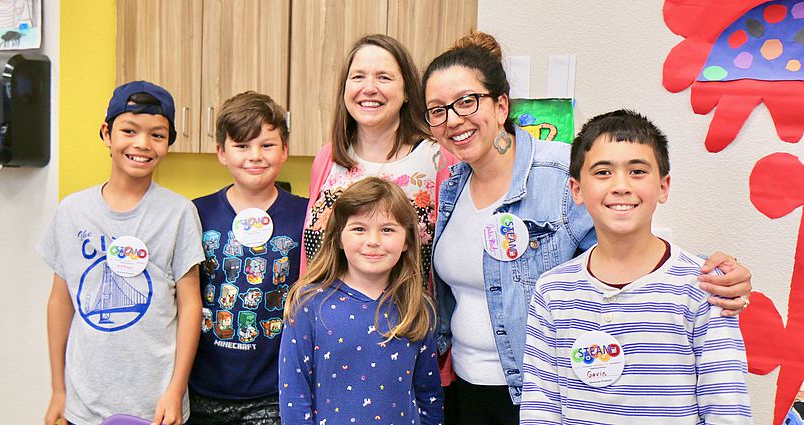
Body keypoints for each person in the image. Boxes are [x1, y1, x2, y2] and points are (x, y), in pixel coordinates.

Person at [421, 32, 754, 425]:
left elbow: (626, 246)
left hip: (539, 390)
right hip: (463, 386)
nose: (453, 119)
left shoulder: (561, 173)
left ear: (500, 106)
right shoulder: (452, 184)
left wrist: (714, 276)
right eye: (437, 110)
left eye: (466, 101)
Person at [520, 109, 752, 423]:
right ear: (576, 189)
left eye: (637, 171)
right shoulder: (552, 290)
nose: (620, 186)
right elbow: (540, 405)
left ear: (663, 186)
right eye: (602, 172)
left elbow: (727, 409)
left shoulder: (704, 288)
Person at [37, 81, 204, 425]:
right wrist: (58, 389)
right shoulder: (72, 211)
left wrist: (175, 390)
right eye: (129, 130)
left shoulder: (178, 213)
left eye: (157, 135)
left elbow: (190, 306)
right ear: (106, 134)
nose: (142, 144)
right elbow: (61, 302)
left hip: (155, 403)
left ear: (169, 143)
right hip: (84, 403)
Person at [279, 177, 443, 424]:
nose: (373, 241)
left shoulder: (419, 308)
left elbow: (428, 395)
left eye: (387, 229)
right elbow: (294, 396)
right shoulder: (308, 304)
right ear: (338, 238)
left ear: (408, 240)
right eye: (359, 229)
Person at [187, 91, 307, 424]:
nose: (255, 156)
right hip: (203, 390)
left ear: (284, 150)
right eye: (242, 146)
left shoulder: (306, 215)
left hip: (274, 392)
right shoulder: (195, 213)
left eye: (267, 145)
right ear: (221, 152)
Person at [301, 34, 456, 288]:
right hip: (325, 320)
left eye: (383, 77)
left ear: (407, 90)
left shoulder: (438, 159)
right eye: (358, 77)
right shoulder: (327, 158)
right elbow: (311, 264)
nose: (369, 88)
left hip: (409, 322)